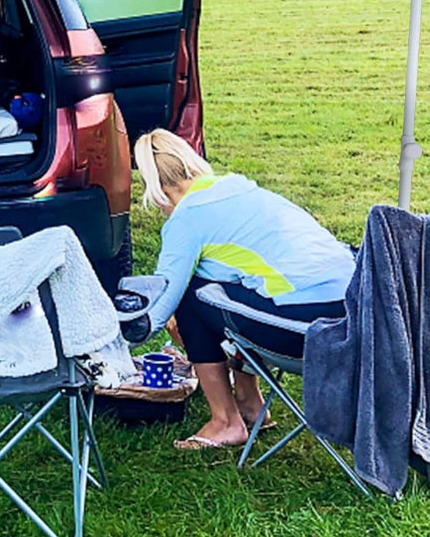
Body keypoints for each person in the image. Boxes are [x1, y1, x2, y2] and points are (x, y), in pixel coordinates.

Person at [133, 128, 356, 451]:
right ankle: (250, 403)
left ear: (157, 190)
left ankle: (226, 422)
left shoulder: (187, 218)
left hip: (309, 332)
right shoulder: (241, 190)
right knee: (230, 289)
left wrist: (110, 341)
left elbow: (159, 305)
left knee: (191, 297)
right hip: (356, 316)